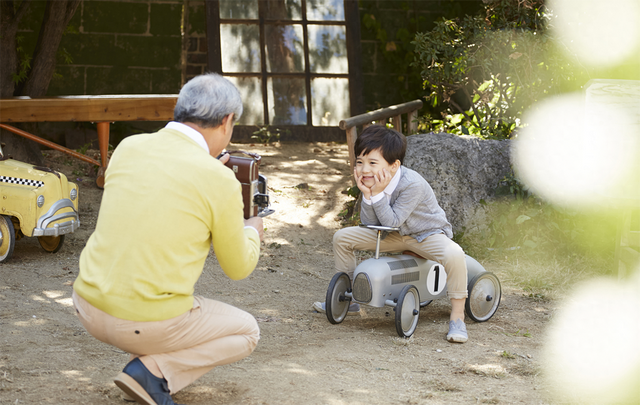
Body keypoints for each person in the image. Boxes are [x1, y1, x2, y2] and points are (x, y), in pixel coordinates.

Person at [72, 73, 264, 405]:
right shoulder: (218, 179)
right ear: (226, 121)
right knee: (246, 331)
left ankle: (147, 371)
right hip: (143, 322)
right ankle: (153, 371)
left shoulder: (129, 147)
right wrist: (253, 230)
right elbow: (238, 267)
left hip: (88, 304)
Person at [313, 125, 469, 343]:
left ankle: (458, 317)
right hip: (392, 234)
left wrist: (375, 194)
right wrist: (368, 194)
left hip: (425, 234)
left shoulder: (412, 184)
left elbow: (393, 220)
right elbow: (369, 224)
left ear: (394, 166)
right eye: (360, 162)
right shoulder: (372, 183)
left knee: (454, 254)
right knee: (342, 237)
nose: (364, 169)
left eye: (372, 163)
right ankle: (350, 298)